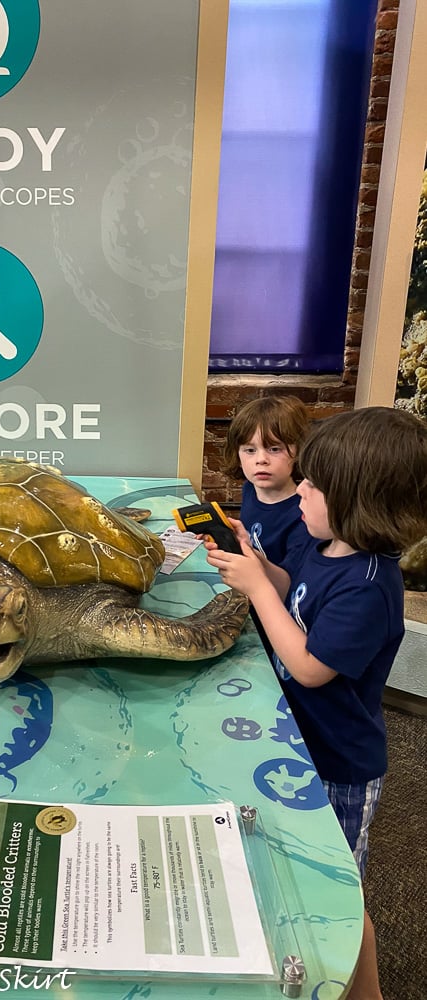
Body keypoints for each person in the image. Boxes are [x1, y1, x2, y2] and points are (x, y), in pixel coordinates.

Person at [205, 406, 427, 1000]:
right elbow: (289, 590)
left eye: (314, 483)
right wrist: (259, 568)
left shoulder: (370, 586)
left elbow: (308, 666)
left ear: (359, 501)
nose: (297, 486)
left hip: (339, 764)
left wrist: (257, 590)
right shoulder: (322, 547)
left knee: (338, 898)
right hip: (300, 747)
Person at [220, 395, 312, 566]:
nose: (261, 459)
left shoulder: (304, 515)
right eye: (250, 450)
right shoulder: (250, 489)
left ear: (299, 451)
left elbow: (290, 584)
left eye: (274, 449)